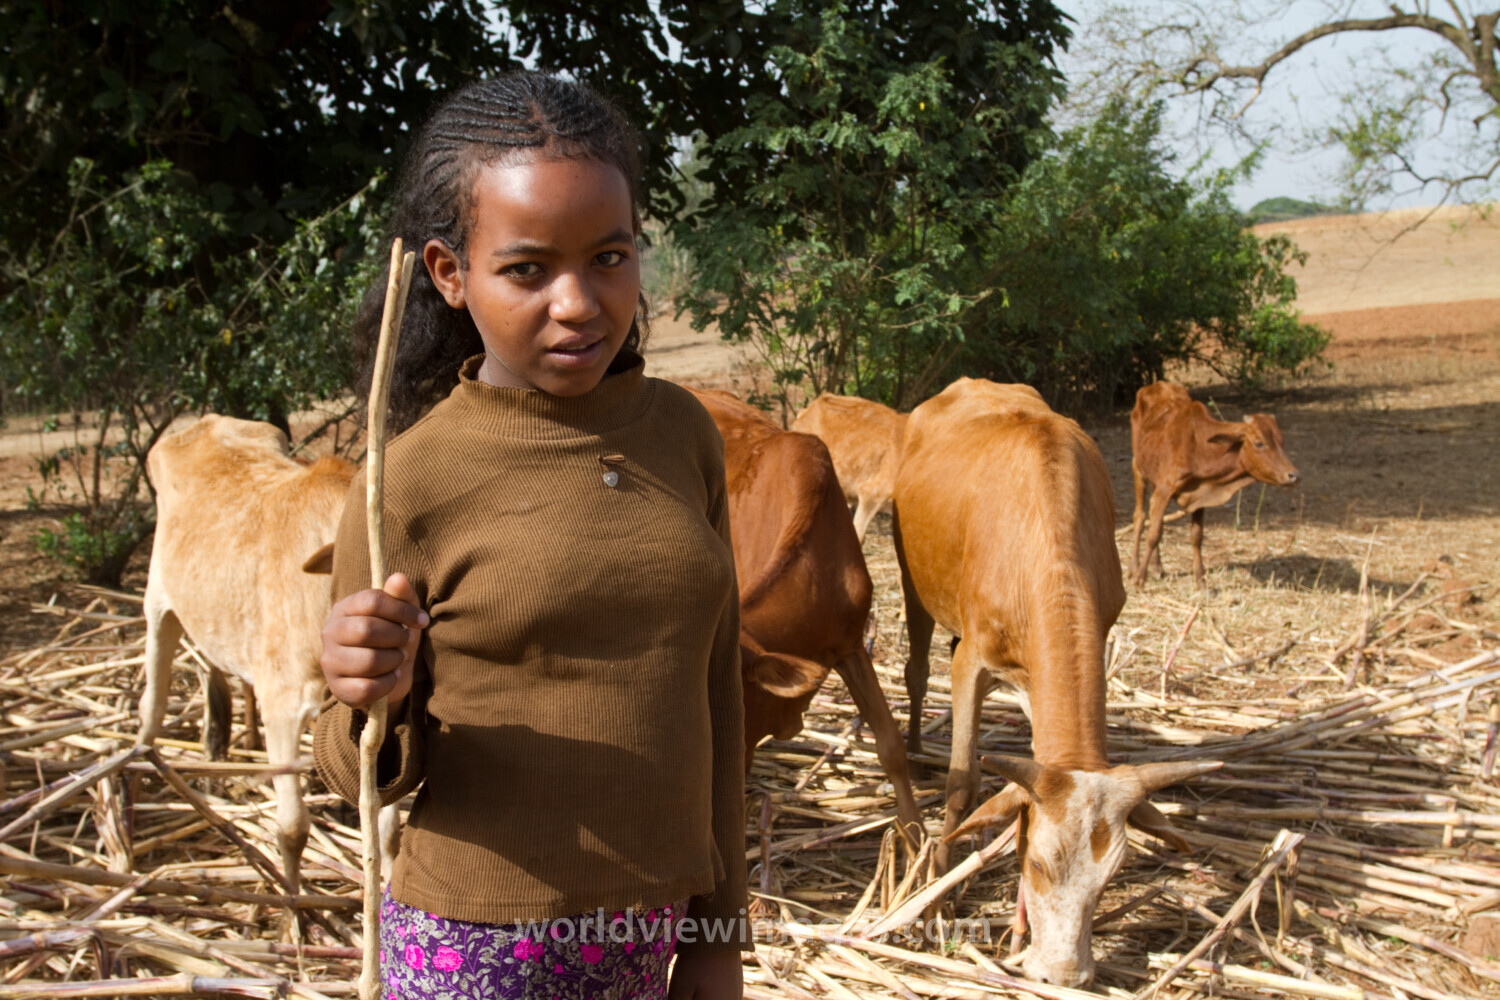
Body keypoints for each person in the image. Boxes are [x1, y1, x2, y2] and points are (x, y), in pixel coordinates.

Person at [313, 72, 748, 1000]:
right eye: (526, 269)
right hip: (474, 952)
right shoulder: (407, 483)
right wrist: (364, 692)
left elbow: (717, 702)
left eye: (609, 257)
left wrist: (716, 945)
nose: (578, 302)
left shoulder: (682, 436)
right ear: (448, 273)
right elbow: (364, 769)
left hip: (652, 933)